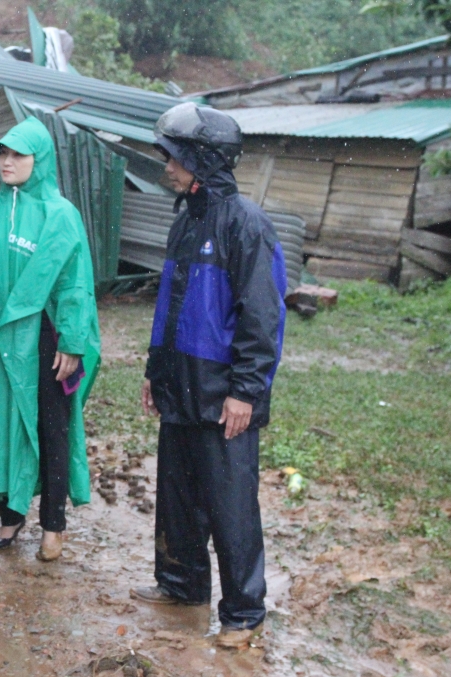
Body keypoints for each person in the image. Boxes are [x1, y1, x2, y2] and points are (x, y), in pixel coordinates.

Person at [134, 103, 286, 649]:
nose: (165, 167)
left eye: (173, 157)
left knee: (230, 502)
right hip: (179, 384)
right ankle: (182, 584)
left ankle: (244, 612)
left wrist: (247, 390)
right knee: (177, 493)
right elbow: (169, 306)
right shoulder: (184, 219)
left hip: (224, 391)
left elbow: (263, 316)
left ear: (204, 159)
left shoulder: (246, 224)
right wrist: (156, 371)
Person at [0, 117, 101, 562]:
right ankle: (10, 515)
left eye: (18, 155)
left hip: (46, 338)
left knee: (51, 427)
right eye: (2, 153)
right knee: (1, 422)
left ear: (39, 160)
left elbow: (74, 283)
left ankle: (53, 524)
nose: (7, 162)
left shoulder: (60, 214)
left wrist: (73, 341)